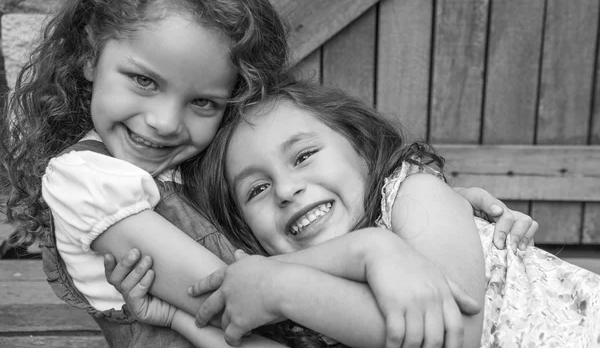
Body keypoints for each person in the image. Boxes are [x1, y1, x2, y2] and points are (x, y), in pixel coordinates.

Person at [0, 0, 537, 348]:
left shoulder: (183, 164)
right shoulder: (88, 180)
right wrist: (374, 248)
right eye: (143, 81)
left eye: (204, 103)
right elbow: (231, 293)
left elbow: (266, 279)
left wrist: (427, 208)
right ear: (91, 56)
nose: (164, 122)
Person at [106, 78, 594, 348]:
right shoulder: (297, 299)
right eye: (256, 188)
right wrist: (180, 319)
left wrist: (284, 284)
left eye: (302, 156)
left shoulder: (415, 193)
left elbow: (452, 338)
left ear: (361, 148)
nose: (287, 189)